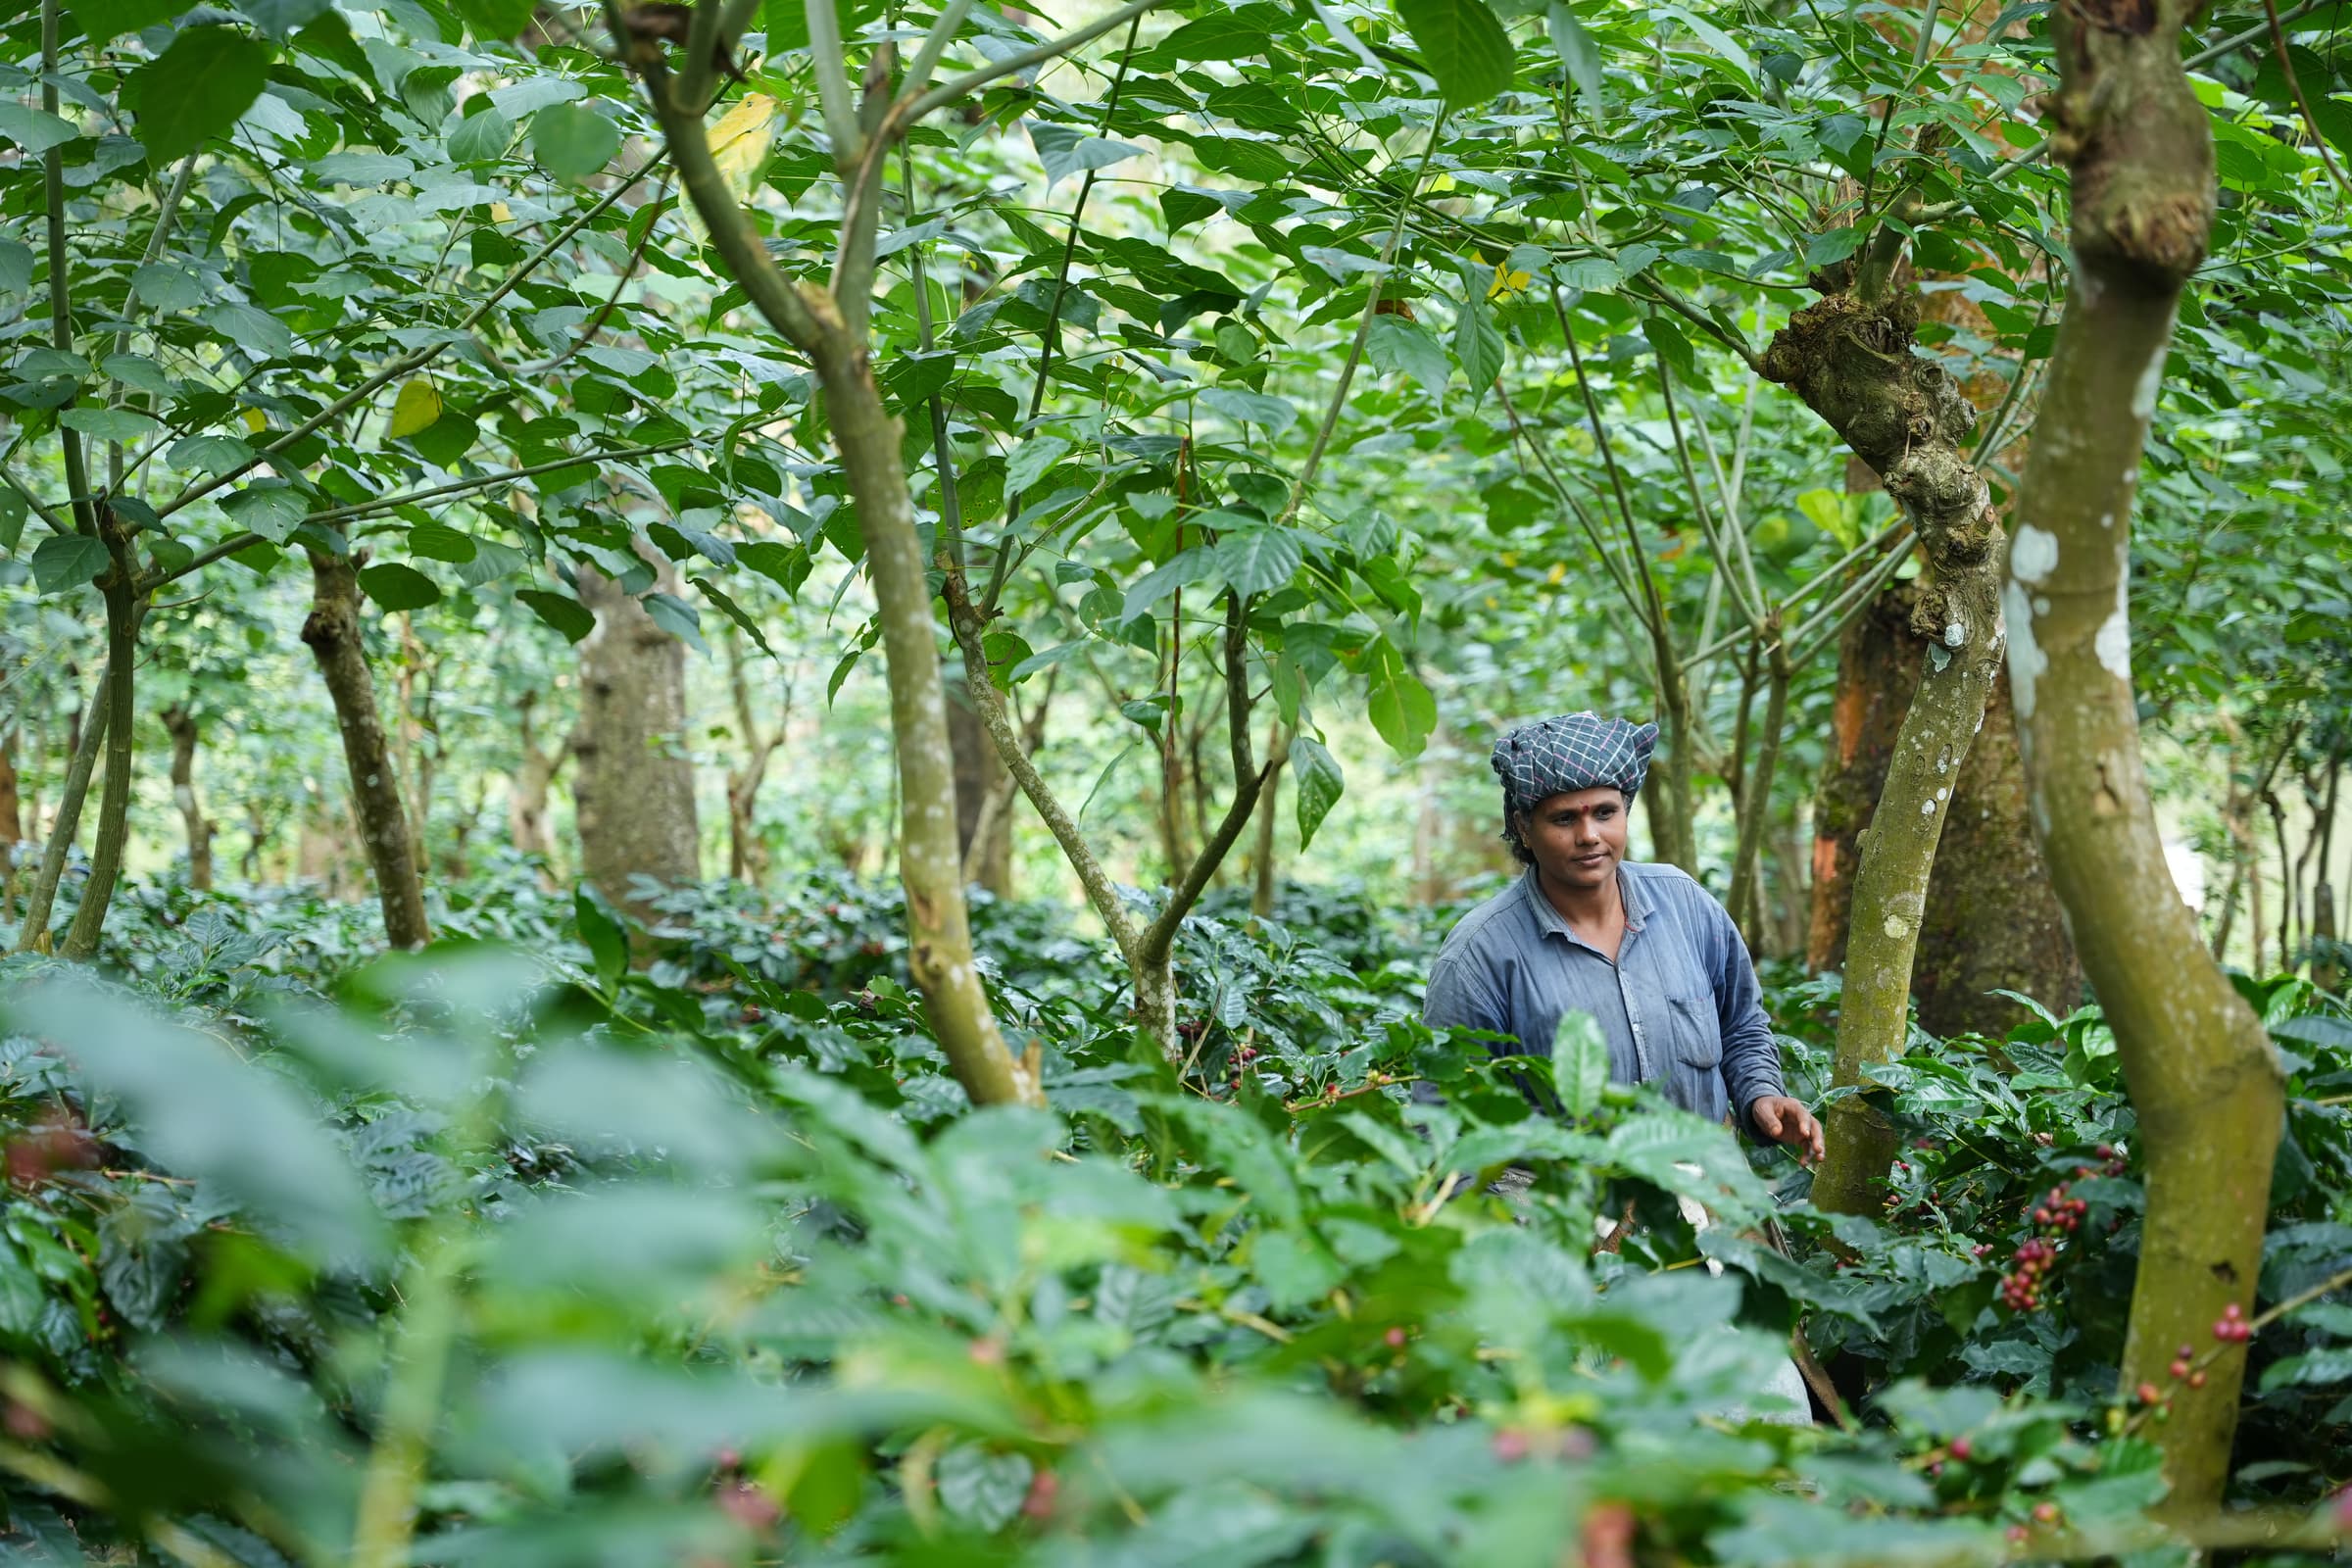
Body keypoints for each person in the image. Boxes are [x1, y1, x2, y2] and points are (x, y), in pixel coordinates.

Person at [1423, 710, 1824, 1163]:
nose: (1589, 835)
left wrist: (1761, 1096)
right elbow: (1442, 1115)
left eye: (1605, 813)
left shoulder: (1686, 904)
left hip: (1708, 1196)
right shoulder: (1480, 954)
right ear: (1524, 829)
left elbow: (1741, 1026)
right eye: (1564, 819)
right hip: (1554, 1215)